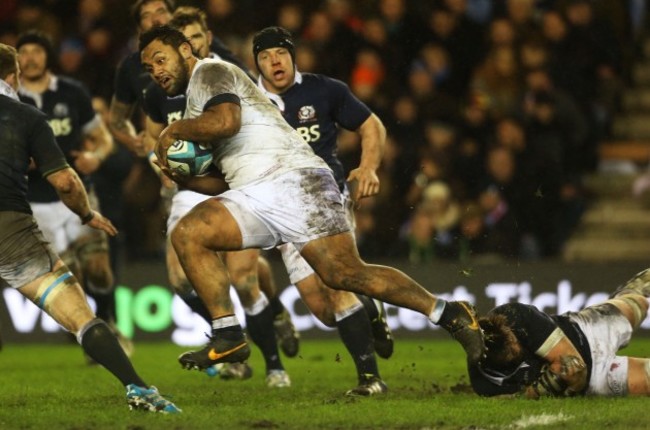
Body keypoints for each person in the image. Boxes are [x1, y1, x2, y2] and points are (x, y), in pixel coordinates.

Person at [139, 26, 485, 386]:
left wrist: (172, 133)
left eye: (161, 59)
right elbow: (222, 181)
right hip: (253, 192)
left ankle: (449, 313)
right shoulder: (197, 101)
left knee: (345, 275)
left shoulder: (210, 71)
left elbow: (228, 122)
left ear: (184, 50)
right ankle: (228, 335)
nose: (157, 71)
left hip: (296, 180)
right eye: (149, 69)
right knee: (189, 233)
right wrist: (184, 180)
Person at [0, 43, 179, 414]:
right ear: (13, 76)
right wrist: (86, 215)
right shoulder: (25, 116)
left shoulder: (59, 100)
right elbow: (66, 181)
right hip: (11, 231)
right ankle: (139, 390)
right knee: (81, 317)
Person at [142, 7, 297, 387]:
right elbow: (151, 136)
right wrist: (164, 166)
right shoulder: (156, 90)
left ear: (205, 39)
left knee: (243, 278)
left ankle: (274, 364)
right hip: (192, 185)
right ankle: (231, 336)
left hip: (235, 180)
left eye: (196, 37)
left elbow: (246, 122)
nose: (191, 45)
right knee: (181, 281)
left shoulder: (222, 71)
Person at [252, 26, 395, 395]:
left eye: (280, 53)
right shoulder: (247, 101)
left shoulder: (324, 89)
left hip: (325, 197)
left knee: (335, 284)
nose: (274, 61)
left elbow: (371, 124)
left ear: (292, 55)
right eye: (265, 57)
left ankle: (370, 379)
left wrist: (368, 167)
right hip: (280, 208)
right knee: (323, 311)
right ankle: (371, 308)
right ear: (257, 65)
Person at [15, 30, 132, 358]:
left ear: (47, 57)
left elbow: (102, 138)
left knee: (99, 268)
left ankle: (107, 321)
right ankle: (90, 334)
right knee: (72, 280)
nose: (31, 58)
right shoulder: (10, 101)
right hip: (34, 205)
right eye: (24, 52)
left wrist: (97, 156)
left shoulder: (72, 92)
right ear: (16, 60)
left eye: (37, 51)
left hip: (77, 192)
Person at [469, 268, 650, 398]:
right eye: (513, 348)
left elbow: (575, 363)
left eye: (512, 339)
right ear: (499, 361)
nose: (517, 343)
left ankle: (631, 291)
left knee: (639, 303)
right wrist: (540, 391)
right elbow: (579, 378)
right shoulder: (486, 383)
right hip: (595, 379)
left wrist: (541, 388)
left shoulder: (516, 317)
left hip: (588, 331)